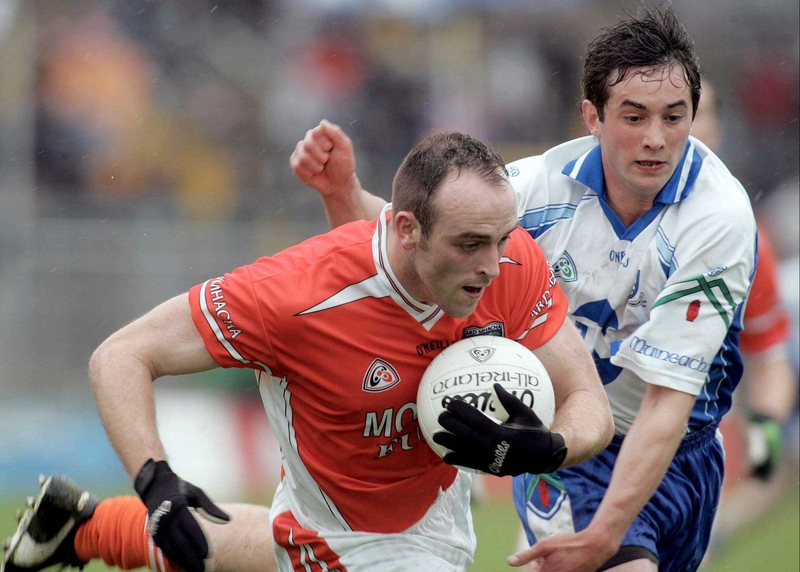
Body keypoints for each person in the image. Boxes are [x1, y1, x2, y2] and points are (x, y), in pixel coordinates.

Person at [3, 132, 613, 572]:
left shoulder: (510, 258)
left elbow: (590, 405)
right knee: (298, 542)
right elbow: (121, 355)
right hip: (335, 533)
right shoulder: (291, 295)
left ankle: (86, 528)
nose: (493, 263)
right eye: (472, 244)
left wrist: (550, 445)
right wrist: (155, 480)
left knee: (271, 542)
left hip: (436, 504)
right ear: (407, 230)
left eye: (502, 239)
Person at [288, 8, 757, 572]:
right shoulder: (539, 186)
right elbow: (418, 241)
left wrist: (605, 535)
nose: (655, 139)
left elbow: (668, 402)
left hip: (685, 453)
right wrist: (343, 191)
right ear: (593, 116)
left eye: (673, 116)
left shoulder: (719, 217)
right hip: (573, 445)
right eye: (634, 116)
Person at [691, 77, 797, 553]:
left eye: (696, 113)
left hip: (679, 455)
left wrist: (766, 437)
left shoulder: (746, 238)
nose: (681, 129)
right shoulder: (570, 214)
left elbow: (769, 357)